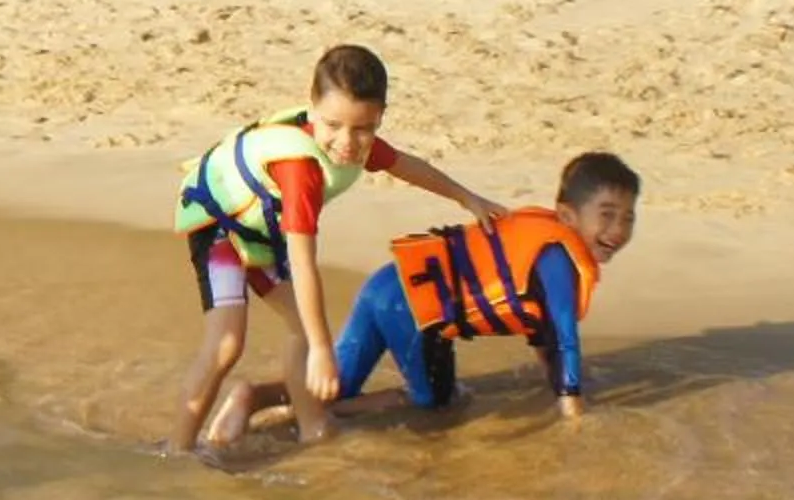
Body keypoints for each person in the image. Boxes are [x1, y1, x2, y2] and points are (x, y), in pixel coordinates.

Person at [171, 44, 501, 453]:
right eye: (333, 125)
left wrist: (468, 198)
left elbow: (407, 165)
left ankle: (313, 428)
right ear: (311, 111)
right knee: (227, 345)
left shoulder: (353, 142)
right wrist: (325, 350)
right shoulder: (301, 172)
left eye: (363, 128)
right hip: (220, 227)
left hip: (262, 231)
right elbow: (304, 264)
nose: (346, 142)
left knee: (304, 328)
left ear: (379, 118)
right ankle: (175, 452)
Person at [333, 151, 641, 419]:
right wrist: (571, 403)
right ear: (567, 215)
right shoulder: (558, 260)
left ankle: (301, 408)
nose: (618, 230)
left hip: (385, 283)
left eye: (627, 218)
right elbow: (564, 336)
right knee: (439, 404)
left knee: (333, 386)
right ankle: (326, 413)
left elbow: (542, 329)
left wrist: (554, 377)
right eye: (607, 215)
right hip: (411, 311)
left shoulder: (546, 245)